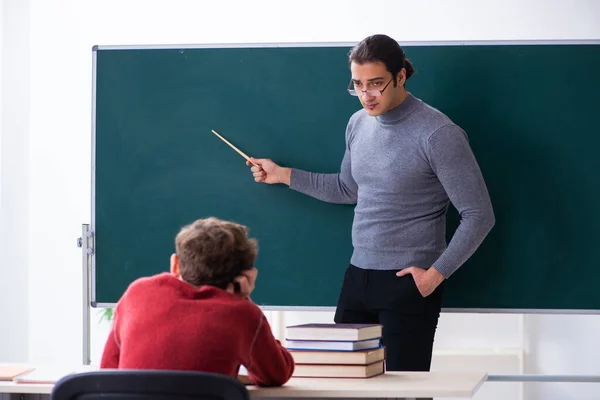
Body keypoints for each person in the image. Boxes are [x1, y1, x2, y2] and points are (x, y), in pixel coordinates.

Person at [246, 34, 495, 372]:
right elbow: (347, 189)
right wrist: (282, 175)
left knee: (402, 393)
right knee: (342, 384)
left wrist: (434, 276)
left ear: (400, 77)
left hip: (408, 283)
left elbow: (479, 215)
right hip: (358, 275)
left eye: (376, 84)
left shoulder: (438, 133)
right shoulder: (357, 123)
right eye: (358, 85)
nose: (366, 95)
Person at [100, 217, 295, 386]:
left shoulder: (137, 293)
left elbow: (108, 370)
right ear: (243, 276)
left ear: (175, 264)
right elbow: (276, 374)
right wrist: (243, 298)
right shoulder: (243, 314)